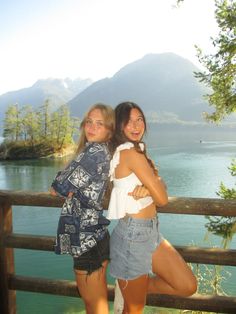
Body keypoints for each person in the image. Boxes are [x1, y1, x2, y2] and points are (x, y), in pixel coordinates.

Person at [107, 101, 197, 314]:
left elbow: (159, 186)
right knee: (134, 310)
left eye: (139, 119)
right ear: (119, 126)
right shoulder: (130, 153)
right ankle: (130, 287)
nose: (136, 125)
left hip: (150, 232)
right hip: (133, 236)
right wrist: (153, 188)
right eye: (129, 121)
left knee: (187, 285)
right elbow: (163, 198)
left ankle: (132, 286)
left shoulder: (136, 151)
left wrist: (150, 188)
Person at [50, 103, 115, 314]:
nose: (92, 127)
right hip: (94, 236)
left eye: (100, 123)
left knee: (94, 306)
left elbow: (60, 186)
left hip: (86, 240)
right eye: (89, 122)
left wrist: (63, 183)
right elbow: (66, 183)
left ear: (109, 130)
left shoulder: (94, 152)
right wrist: (66, 182)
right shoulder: (98, 151)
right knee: (96, 303)